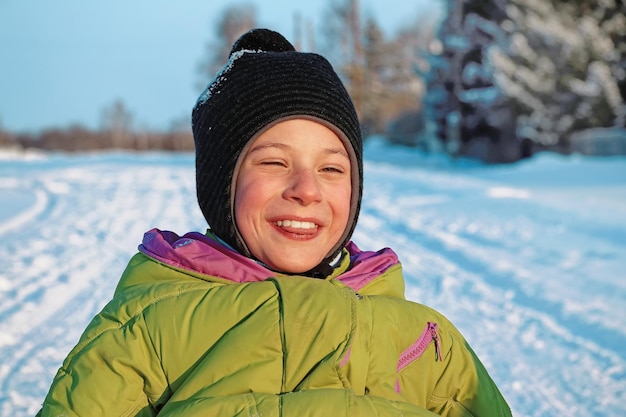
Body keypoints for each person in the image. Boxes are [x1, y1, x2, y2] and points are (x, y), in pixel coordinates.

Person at [36, 29, 511, 417]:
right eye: (273, 163)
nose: (307, 190)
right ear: (222, 185)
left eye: (331, 168)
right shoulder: (144, 334)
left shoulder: (424, 342)